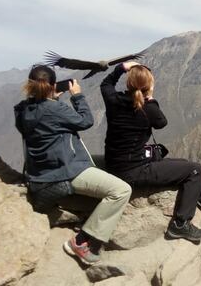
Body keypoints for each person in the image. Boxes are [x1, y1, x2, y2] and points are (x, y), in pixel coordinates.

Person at [100, 61, 201, 242]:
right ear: (149, 87)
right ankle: (180, 224)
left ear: (128, 84)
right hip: (134, 171)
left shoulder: (113, 100)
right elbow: (162, 122)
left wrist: (121, 68)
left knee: (185, 165)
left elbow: (105, 84)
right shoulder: (149, 108)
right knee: (195, 169)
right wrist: (151, 98)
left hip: (116, 164)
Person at [14, 65, 132, 265]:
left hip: (40, 171)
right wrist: (77, 96)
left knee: (105, 162)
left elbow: (44, 120)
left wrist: (51, 98)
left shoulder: (22, 110)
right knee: (121, 190)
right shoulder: (55, 109)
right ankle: (82, 241)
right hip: (64, 171)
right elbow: (85, 121)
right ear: (52, 85)